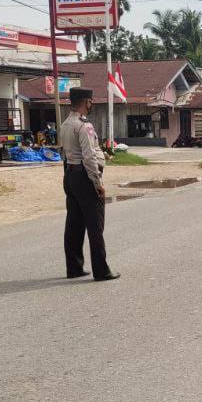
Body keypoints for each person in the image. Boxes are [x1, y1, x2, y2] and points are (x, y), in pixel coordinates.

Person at [59, 87, 120, 282]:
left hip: (70, 174)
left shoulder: (65, 124)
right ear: (87, 102)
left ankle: (74, 267)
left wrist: (69, 176)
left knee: (74, 224)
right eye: (91, 101)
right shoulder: (84, 126)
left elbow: (64, 153)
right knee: (95, 225)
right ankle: (101, 271)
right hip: (85, 177)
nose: (91, 104)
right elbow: (89, 157)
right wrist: (97, 182)